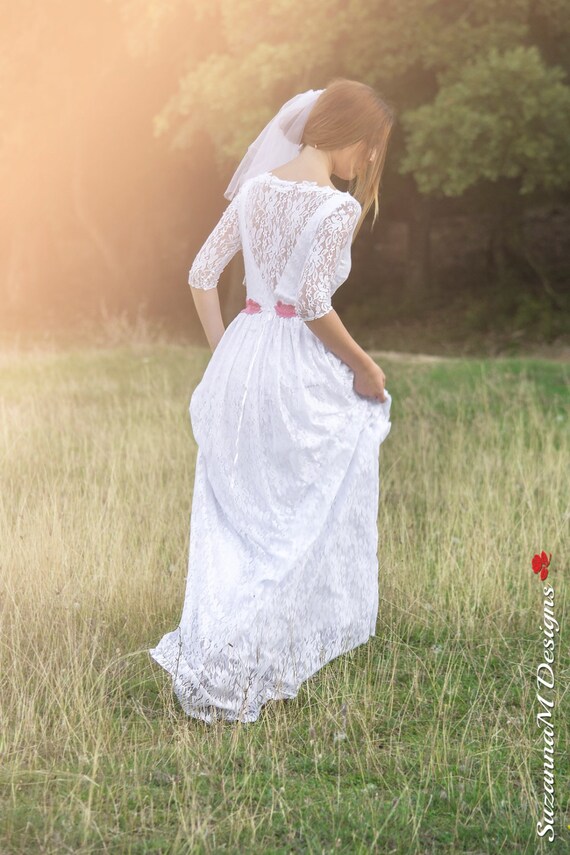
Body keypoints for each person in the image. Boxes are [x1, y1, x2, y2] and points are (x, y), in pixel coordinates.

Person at [148, 78, 395, 724]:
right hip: (291, 363)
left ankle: (226, 656)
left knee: (239, 513)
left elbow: (203, 275)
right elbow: (313, 303)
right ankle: (252, 656)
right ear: (347, 135)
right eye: (369, 148)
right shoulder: (335, 208)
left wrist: (226, 352)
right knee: (293, 513)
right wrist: (365, 367)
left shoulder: (257, 189)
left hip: (243, 354)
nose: (368, 162)